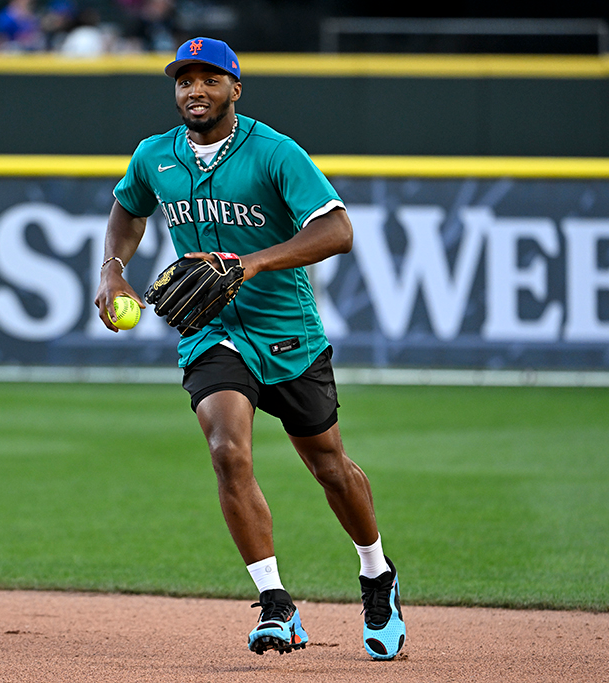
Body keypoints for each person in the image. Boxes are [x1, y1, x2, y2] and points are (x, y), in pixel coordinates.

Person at [94, 37, 406, 660]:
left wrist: (253, 263)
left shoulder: (274, 153)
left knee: (328, 467)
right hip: (210, 330)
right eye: (184, 81)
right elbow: (127, 213)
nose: (195, 91)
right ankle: (275, 605)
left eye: (210, 80)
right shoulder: (155, 155)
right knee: (227, 449)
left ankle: (376, 572)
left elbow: (337, 229)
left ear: (235, 89)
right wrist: (111, 272)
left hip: (287, 332)